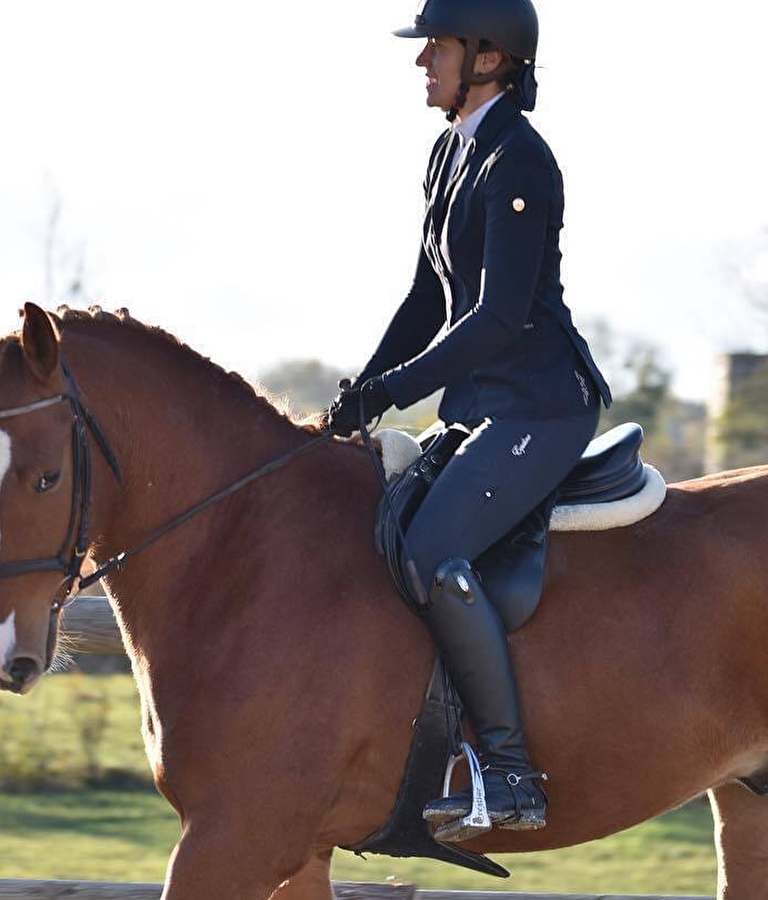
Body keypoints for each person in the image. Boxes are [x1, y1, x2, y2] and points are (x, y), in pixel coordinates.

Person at [326, 0, 611, 842]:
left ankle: (513, 774)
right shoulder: (450, 151)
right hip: (482, 407)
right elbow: (427, 298)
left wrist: (392, 393)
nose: (421, 65)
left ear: (487, 58)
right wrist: (363, 386)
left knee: (431, 555)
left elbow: (492, 319)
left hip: (539, 405)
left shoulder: (518, 160)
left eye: (435, 50)